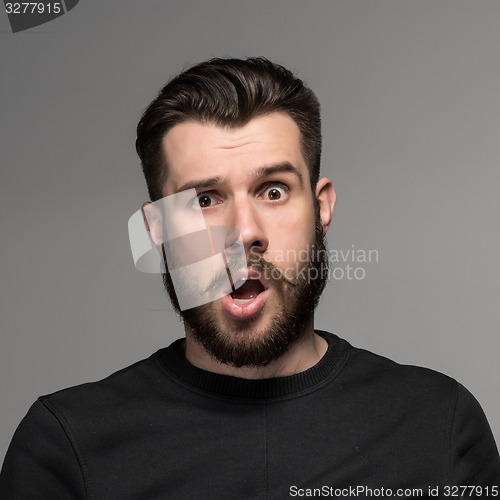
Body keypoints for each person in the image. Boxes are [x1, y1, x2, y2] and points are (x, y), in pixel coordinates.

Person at [1, 57, 499, 499]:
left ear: (321, 207)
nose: (244, 233)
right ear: (156, 231)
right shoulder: (66, 446)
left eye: (274, 191)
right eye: (203, 200)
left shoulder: (437, 425)